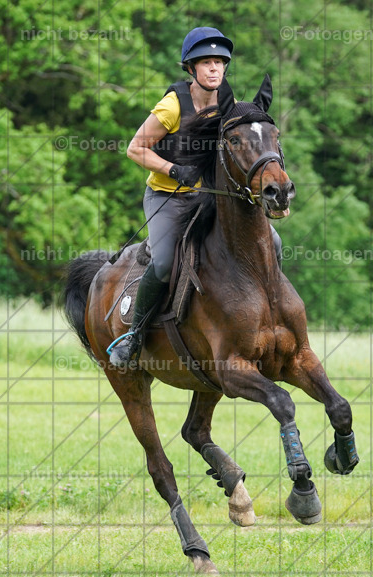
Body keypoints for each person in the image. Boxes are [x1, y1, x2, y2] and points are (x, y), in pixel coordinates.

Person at [112, 27, 282, 367]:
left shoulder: (229, 105)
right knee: (162, 262)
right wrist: (174, 170)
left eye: (220, 62)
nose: (215, 69)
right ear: (191, 68)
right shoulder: (173, 105)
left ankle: (272, 317)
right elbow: (135, 149)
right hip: (168, 196)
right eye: (206, 62)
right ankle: (134, 335)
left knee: (273, 241)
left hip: (209, 197)